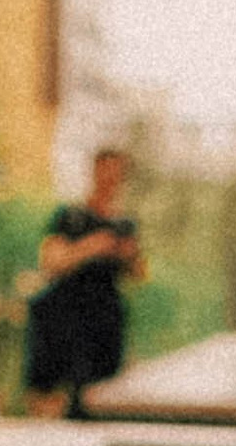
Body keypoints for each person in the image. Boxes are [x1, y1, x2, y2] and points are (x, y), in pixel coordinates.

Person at [24, 143, 146, 417]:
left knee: (94, 398)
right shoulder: (72, 217)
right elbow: (51, 262)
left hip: (103, 323)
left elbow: (139, 275)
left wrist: (128, 255)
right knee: (53, 396)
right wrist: (91, 247)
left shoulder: (124, 223)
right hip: (67, 319)